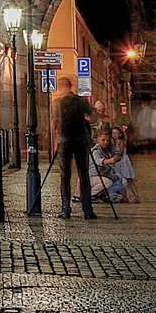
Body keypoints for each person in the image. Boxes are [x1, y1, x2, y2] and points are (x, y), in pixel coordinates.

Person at [55, 91, 99, 219]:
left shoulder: (59, 102)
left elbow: (54, 122)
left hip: (65, 141)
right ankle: (88, 210)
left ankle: (66, 209)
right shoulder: (81, 101)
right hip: (80, 140)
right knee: (84, 175)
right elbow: (93, 119)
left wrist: (56, 141)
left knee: (65, 176)